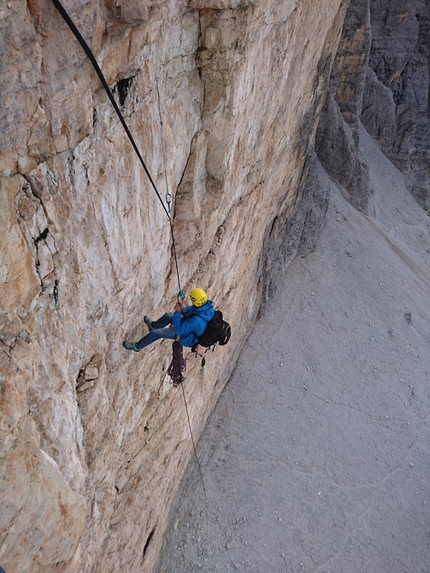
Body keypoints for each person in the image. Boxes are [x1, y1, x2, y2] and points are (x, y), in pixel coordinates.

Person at [123, 288, 215, 352]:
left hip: (185, 336)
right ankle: (153, 326)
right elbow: (190, 310)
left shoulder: (197, 320)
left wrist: (178, 312)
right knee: (168, 315)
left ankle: (137, 346)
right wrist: (182, 303)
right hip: (189, 325)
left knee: (156, 333)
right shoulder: (205, 306)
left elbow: (178, 330)